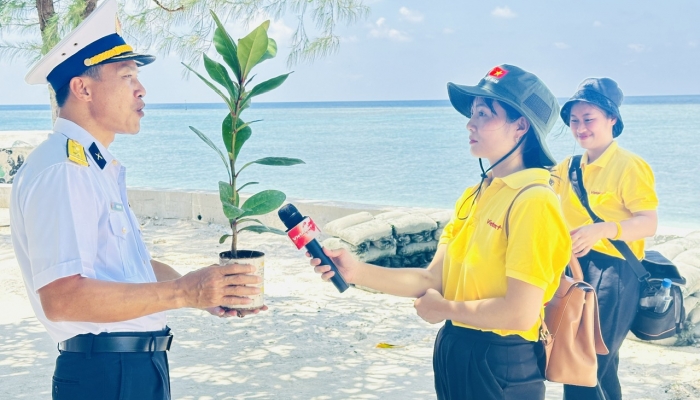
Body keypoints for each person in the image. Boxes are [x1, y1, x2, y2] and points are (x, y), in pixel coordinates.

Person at [11, 1, 266, 399]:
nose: (141, 88)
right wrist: (185, 292)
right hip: (106, 375)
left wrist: (203, 290)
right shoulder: (64, 169)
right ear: (83, 88)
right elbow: (62, 298)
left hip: (134, 368)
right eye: (127, 76)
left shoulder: (93, 167)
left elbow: (125, 268)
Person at [310, 65, 571, 399]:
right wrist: (356, 271)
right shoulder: (476, 195)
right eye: (472, 112)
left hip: (501, 360)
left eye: (484, 113)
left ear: (521, 126)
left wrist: (444, 310)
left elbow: (519, 313)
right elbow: (432, 280)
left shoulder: (534, 200)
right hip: (456, 348)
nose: (470, 123)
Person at [552, 78, 658, 400]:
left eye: (589, 119)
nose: (580, 128)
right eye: (574, 121)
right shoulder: (566, 168)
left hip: (616, 273)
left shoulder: (630, 166)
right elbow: (540, 205)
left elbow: (649, 223)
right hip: (574, 271)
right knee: (590, 362)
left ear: (612, 119)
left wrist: (603, 229)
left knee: (589, 362)